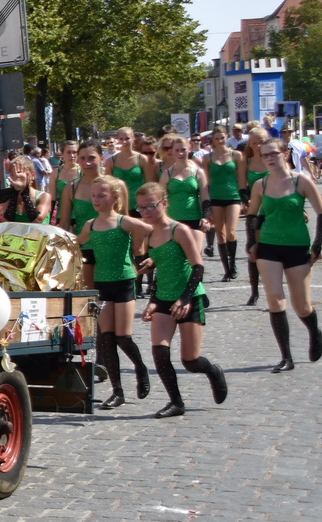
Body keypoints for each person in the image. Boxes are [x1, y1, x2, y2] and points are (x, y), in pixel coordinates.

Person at [136, 182, 229, 417]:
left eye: (151, 206)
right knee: (159, 351)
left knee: (190, 360)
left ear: (164, 204)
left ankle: (213, 371)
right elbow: (163, 269)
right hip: (164, 299)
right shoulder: (148, 234)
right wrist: (153, 300)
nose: (146, 212)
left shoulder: (179, 230)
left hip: (189, 296)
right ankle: (176, 402)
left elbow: (198, 267)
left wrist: (186, 299)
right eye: (141, 208)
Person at [244, 138, 322, 373]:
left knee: (301, 305)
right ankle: (286, 356)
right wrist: (252, 242)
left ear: (286, 153)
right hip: (268, 246)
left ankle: (314, 330)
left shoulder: (301, 180)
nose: (269, 158)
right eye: (265, 155)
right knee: (274, 298)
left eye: (273, 154)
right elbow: (253, 215)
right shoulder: (260, 184)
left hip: (297, 245)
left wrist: (317, 245)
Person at [75, 176, 153, 409]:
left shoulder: (124, 222)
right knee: (106, 338)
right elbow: (75, 243)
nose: (96, 199)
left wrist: (146, 254)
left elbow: (152, 229)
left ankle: (140, 368)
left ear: (115, 198)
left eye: (102, 195)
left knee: (123, 337)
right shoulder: (90, 224)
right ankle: (117, 391)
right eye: (94, 195)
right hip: (102, 284)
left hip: (124, 281)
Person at [59, 139, 107, 289]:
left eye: (92, 158)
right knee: (88, 297)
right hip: (84, 246)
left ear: (101, 158)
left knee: (109, 296)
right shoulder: (71, 188)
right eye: (83, 158)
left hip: (110, 246)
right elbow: (65, 224)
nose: (87, 163)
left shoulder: (115, 185)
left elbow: (124, 219)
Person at [158, 133, 212, 263]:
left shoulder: (197, 172)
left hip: (194, 217)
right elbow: (160, 199)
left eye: (183, 149)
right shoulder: (167, 174)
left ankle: (196, 283)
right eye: (177, 150)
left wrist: (206, 217)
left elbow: (205, 197)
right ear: (172, 152)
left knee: (195, 258)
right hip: (173, 219)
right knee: (176, 258)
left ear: (189, 149)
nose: (181, 153)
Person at [205, 127, 245, 281]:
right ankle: (226, 268)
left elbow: (241, 179)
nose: (220, 141)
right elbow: (206, 183)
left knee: (231, 232)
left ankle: (233, 263)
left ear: (226, 137)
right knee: (220, 234)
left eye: (222, 137)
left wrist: (243, 198)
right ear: (213, 141)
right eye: (217, 138)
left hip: (233, 196)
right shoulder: (208, 158)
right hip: (216, 197)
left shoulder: (236, 155)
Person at [239, 126, 272, 305]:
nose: (258, 146)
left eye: (261, 142)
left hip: (274, 211)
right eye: (254, 143)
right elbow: (242, 187)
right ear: (249, 145)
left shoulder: (273, 160)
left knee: (273, 251)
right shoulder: (247, 162)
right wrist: (247, 201)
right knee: (253, 249)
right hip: (255, 212)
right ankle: (254, 291)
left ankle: (272, 291)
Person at [0, 155, 50, 224]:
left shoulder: (44, 196)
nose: (16, 176)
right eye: (12, 174)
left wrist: (24, 193)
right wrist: (15, 193)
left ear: (33, 175)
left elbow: (38, 220)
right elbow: (7, 222)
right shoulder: (9, 197)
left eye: (19, 172)